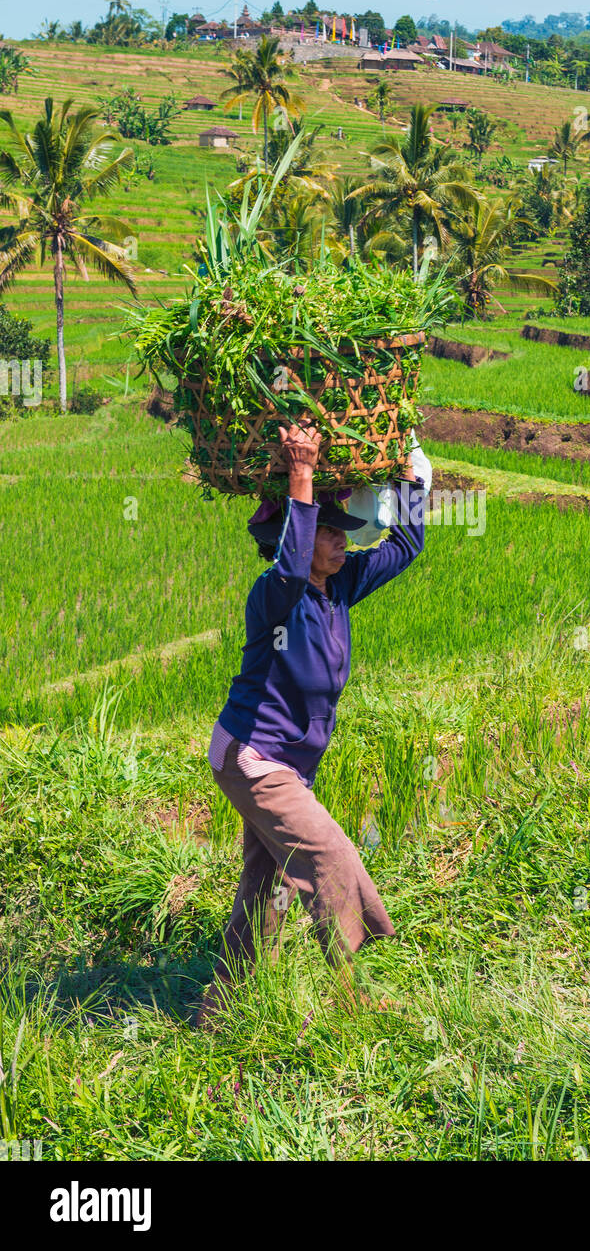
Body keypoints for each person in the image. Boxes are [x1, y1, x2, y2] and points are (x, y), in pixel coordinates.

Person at [194, 422, 427, 1028]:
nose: (342, 542)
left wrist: (412, 483)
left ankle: (225, 1003)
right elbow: (294, 566)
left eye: (341, 531)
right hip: (253, 756)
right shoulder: (276, 594)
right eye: (328, 532)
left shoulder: (336, 588)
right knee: (326, 851)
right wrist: (302, 472)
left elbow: (403, 548)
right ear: (293, 539)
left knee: (264, 882)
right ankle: (351, 993)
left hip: (285, 766)